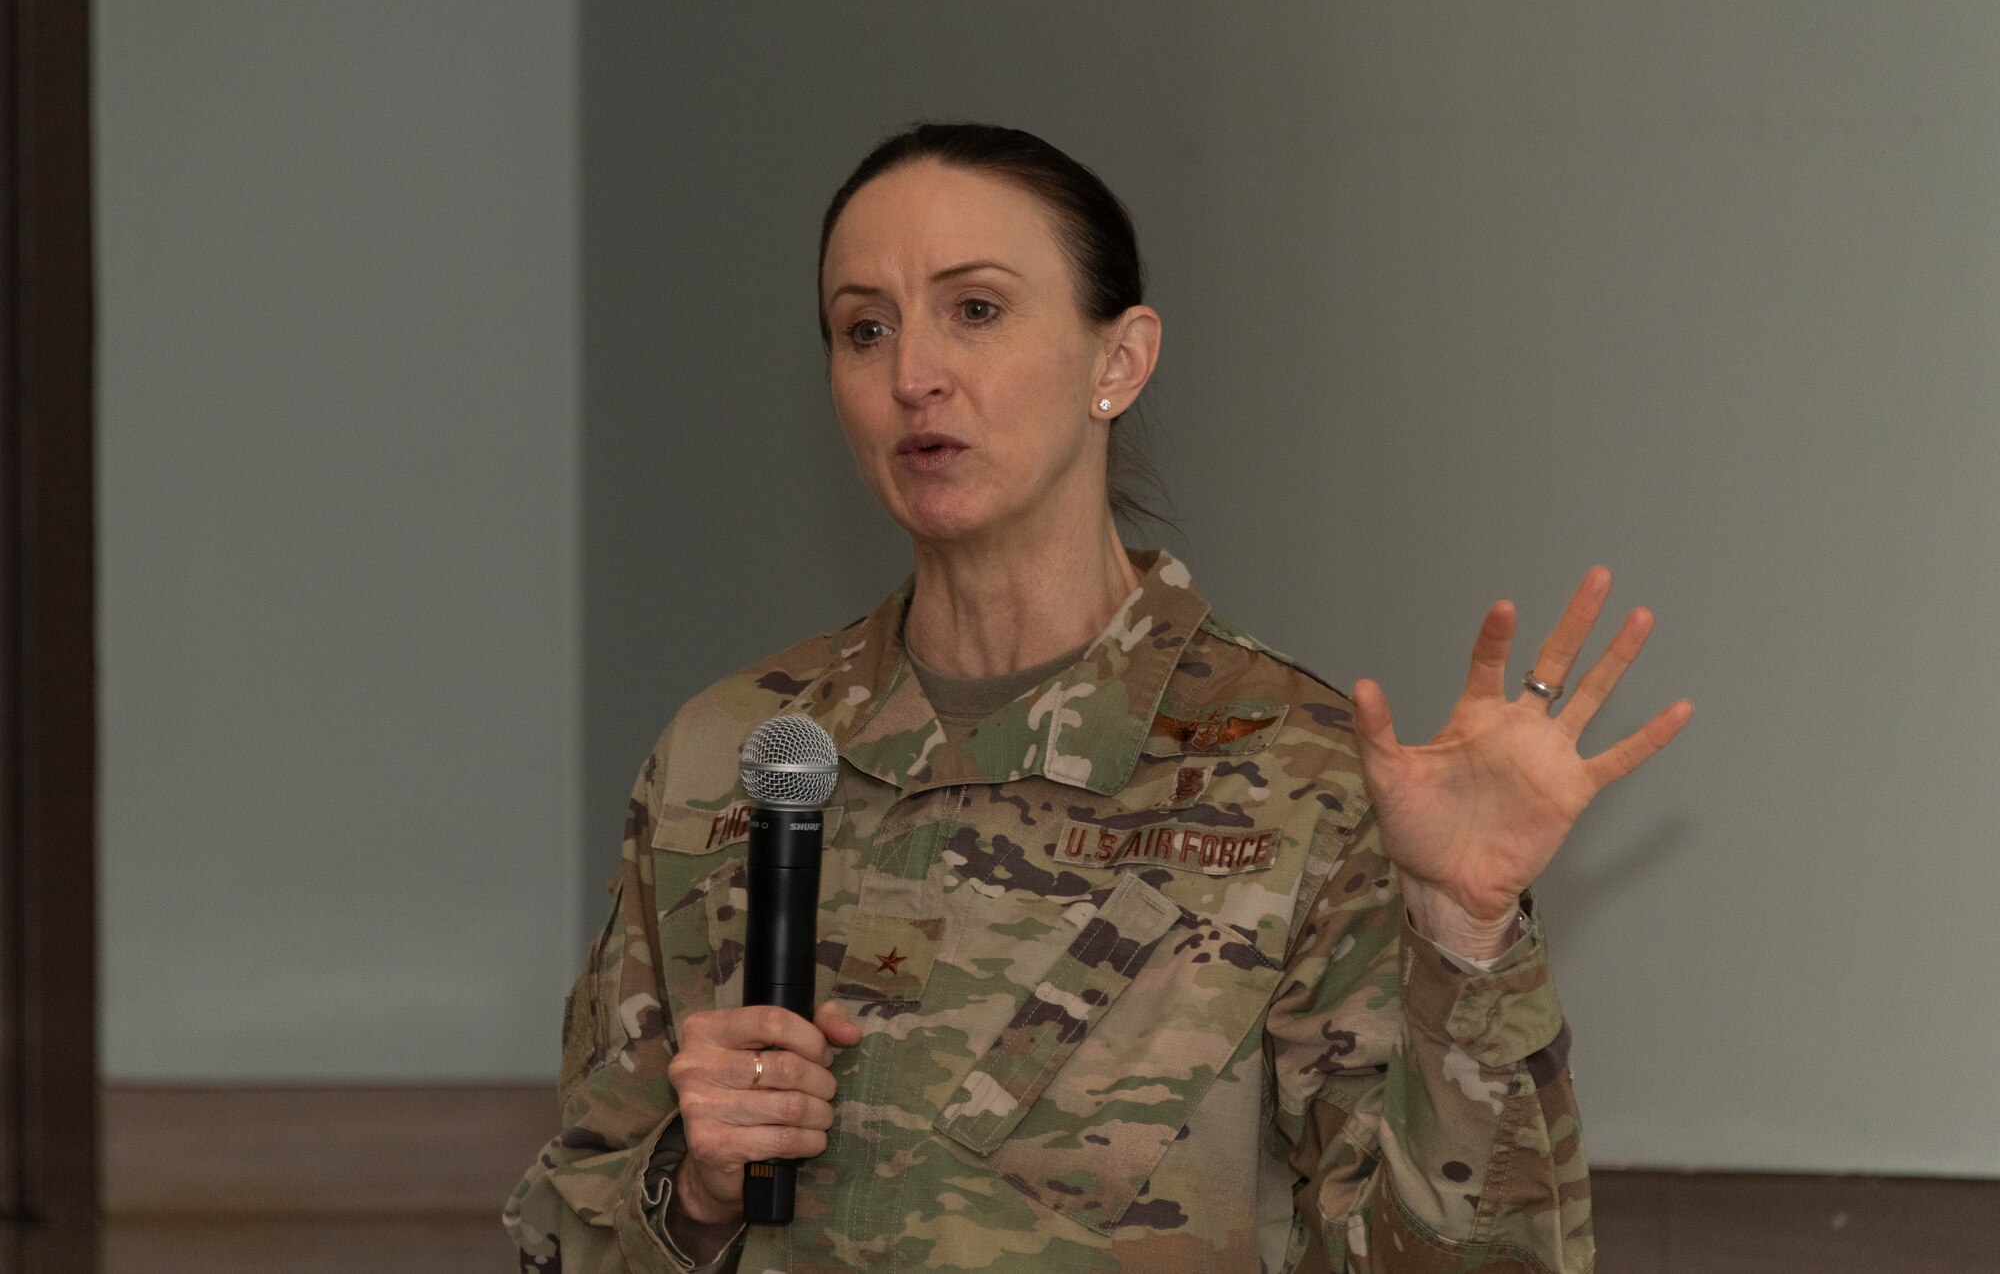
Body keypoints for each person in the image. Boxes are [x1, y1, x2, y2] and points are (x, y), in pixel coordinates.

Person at [503, 121, 1690, 1274]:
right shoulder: (736, 755)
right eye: (862, 328)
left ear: (1115, 361)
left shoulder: (1307, 779)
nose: (913, 374)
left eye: (974, 310)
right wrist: (693, 1190)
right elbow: (565, 1229)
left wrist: (1462, 943)